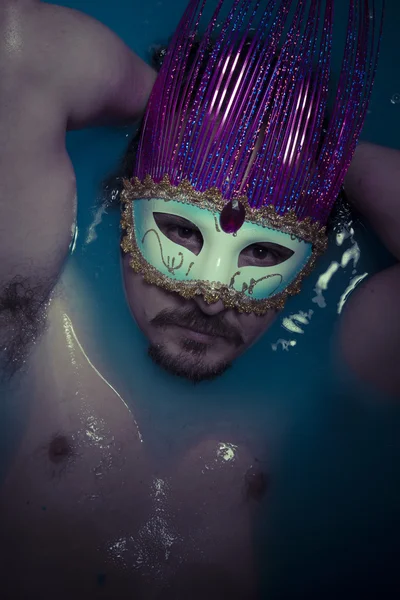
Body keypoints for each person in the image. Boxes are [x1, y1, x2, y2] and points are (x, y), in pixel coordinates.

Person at [0, 0, 398, 599]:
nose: (212, 299)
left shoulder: (334, 380)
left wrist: (319, 148)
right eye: (182, 231)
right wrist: (176, 106)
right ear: (126, 208)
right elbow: (24, 49)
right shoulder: (35, 311)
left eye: (265, 253)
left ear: (312, 255)